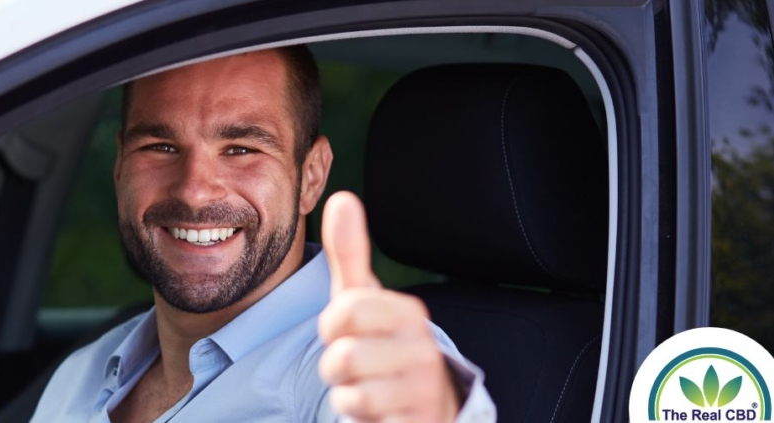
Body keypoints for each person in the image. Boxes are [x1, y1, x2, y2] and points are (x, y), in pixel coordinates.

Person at [31, 45, 496, 422]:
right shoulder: (83, 372)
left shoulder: (349, 370)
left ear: (311, 176)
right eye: (161, 146)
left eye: (240, 149)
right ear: (119, 167)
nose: (194, 191)